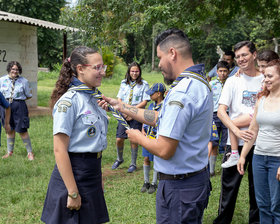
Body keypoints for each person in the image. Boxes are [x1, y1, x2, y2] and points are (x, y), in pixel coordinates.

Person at [99, 28, 212, 223]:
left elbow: (165, 149)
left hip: (180, 187)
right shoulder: (199, 82)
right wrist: (122, 106)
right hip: (191, 181)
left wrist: (138, 137)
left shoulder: (182, 92)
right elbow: (161, 117)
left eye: (160, 57)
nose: (159, 64)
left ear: (172, 54)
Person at [41, 46, 109, 224]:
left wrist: (98, 177)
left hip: (92, 174)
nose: (102, 72)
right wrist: (72, 192)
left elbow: (95, 143)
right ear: (80, 69)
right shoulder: (69, 102)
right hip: (73, 176)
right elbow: (59, 150)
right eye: (97, 68)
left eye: (103, 67)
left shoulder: (94, 98)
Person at [214, 41, 262, 224]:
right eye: (238, 56)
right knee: (229, 189)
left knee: (257, 190)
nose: (241, 59)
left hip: (260, 143)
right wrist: (235, 130)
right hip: (234, 144)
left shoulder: (265, 78)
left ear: (254, 55)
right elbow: (221, 111)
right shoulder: (233, 80)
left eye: (245, 55)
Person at [237, 59, 280, 224]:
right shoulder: (261, 99)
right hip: (259, 158)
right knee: (262, 204)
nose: (266, 79)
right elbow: (253, 130)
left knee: (277, 206)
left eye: (270, 76)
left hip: (277, 159)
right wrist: (242, 156)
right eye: (264, 76)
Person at [221, 49, 279, 168]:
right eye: (260, 66)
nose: (262, 69)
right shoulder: (237, 79)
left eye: (265, 66)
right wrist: (240, 71)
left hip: (259, 115)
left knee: (232, 123)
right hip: (253, 130)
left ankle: (234, 153)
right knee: (232, 124)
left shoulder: (267, 79)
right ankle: (234, 153)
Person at [111, 62, 150, 173]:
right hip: (123, 113)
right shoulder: (124, 83)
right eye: (132, 71)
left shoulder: (144, 84)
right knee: (119, 138)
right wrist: (124, 110)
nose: (134, 73)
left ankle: (133, 163)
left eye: (136, 71)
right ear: (129, 72)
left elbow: (144, 101)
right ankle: (119, 159)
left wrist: (131, 111)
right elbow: (119, 99)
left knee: (134, 140)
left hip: (136, 113)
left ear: (139, 72)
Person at [0, 61, 34, 160]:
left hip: (19, 106)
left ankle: (30, 153)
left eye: (17, 69)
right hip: (5, 106)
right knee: (9, 129)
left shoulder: (24, 81)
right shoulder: (1, 80)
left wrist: (16, 101)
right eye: (13, 69)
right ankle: (9, 152)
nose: (15, 71)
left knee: (22, 130)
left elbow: (28, 95)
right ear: (9, 69)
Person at [140, 82, 166, 194]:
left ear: (159, 93)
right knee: (146, 158)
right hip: (147, 136)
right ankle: (146, 181)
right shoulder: (151, 105)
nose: (150, 96)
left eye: (152, 93)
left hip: (157, 138)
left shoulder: (165, 106)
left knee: (156, 160)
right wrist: (142, 130)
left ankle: (154, 182)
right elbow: (145, 117)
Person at [208, 60, 229, 176]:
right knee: (214, 141)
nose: (222, 73)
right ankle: (211, 169)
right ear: (216, 72)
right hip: (215, 115)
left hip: (227, 114)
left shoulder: (230, 83)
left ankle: (226, 166)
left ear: (228, 72)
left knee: (227, 142)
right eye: (220, 71)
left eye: (225, 71)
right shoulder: (211, 85)